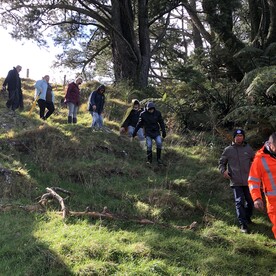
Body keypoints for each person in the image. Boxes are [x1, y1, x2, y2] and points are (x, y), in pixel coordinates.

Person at [219, 129, 255, 233]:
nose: (239, 137)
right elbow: (221, 163)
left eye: (241, 136)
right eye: (237, 136)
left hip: (249, 181)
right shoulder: (228, 150)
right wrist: (223, 171)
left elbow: (255, 161)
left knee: (250, 201)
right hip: (235, 181)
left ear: (243, 137)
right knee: (239, 202)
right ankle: (243, 225)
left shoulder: (248, 149)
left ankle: (247, 218)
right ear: (234, 137)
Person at [248, 132, 276, 238]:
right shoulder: (260, 159)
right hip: (274, 202)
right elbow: (253, 181)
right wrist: (256, 198)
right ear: (270, 144)